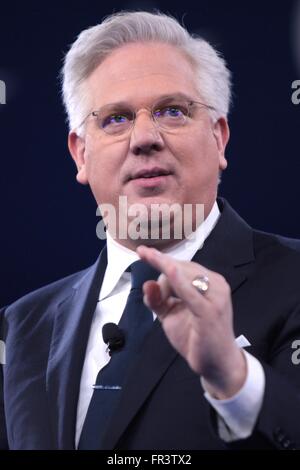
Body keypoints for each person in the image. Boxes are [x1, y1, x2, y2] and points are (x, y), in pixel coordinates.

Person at [1, 10, 300, 451]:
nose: (144, 137)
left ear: (218, 138)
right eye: (116, 119)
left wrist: (235, 378)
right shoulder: (21, 327)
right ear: (80, 155)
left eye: (172, 111)